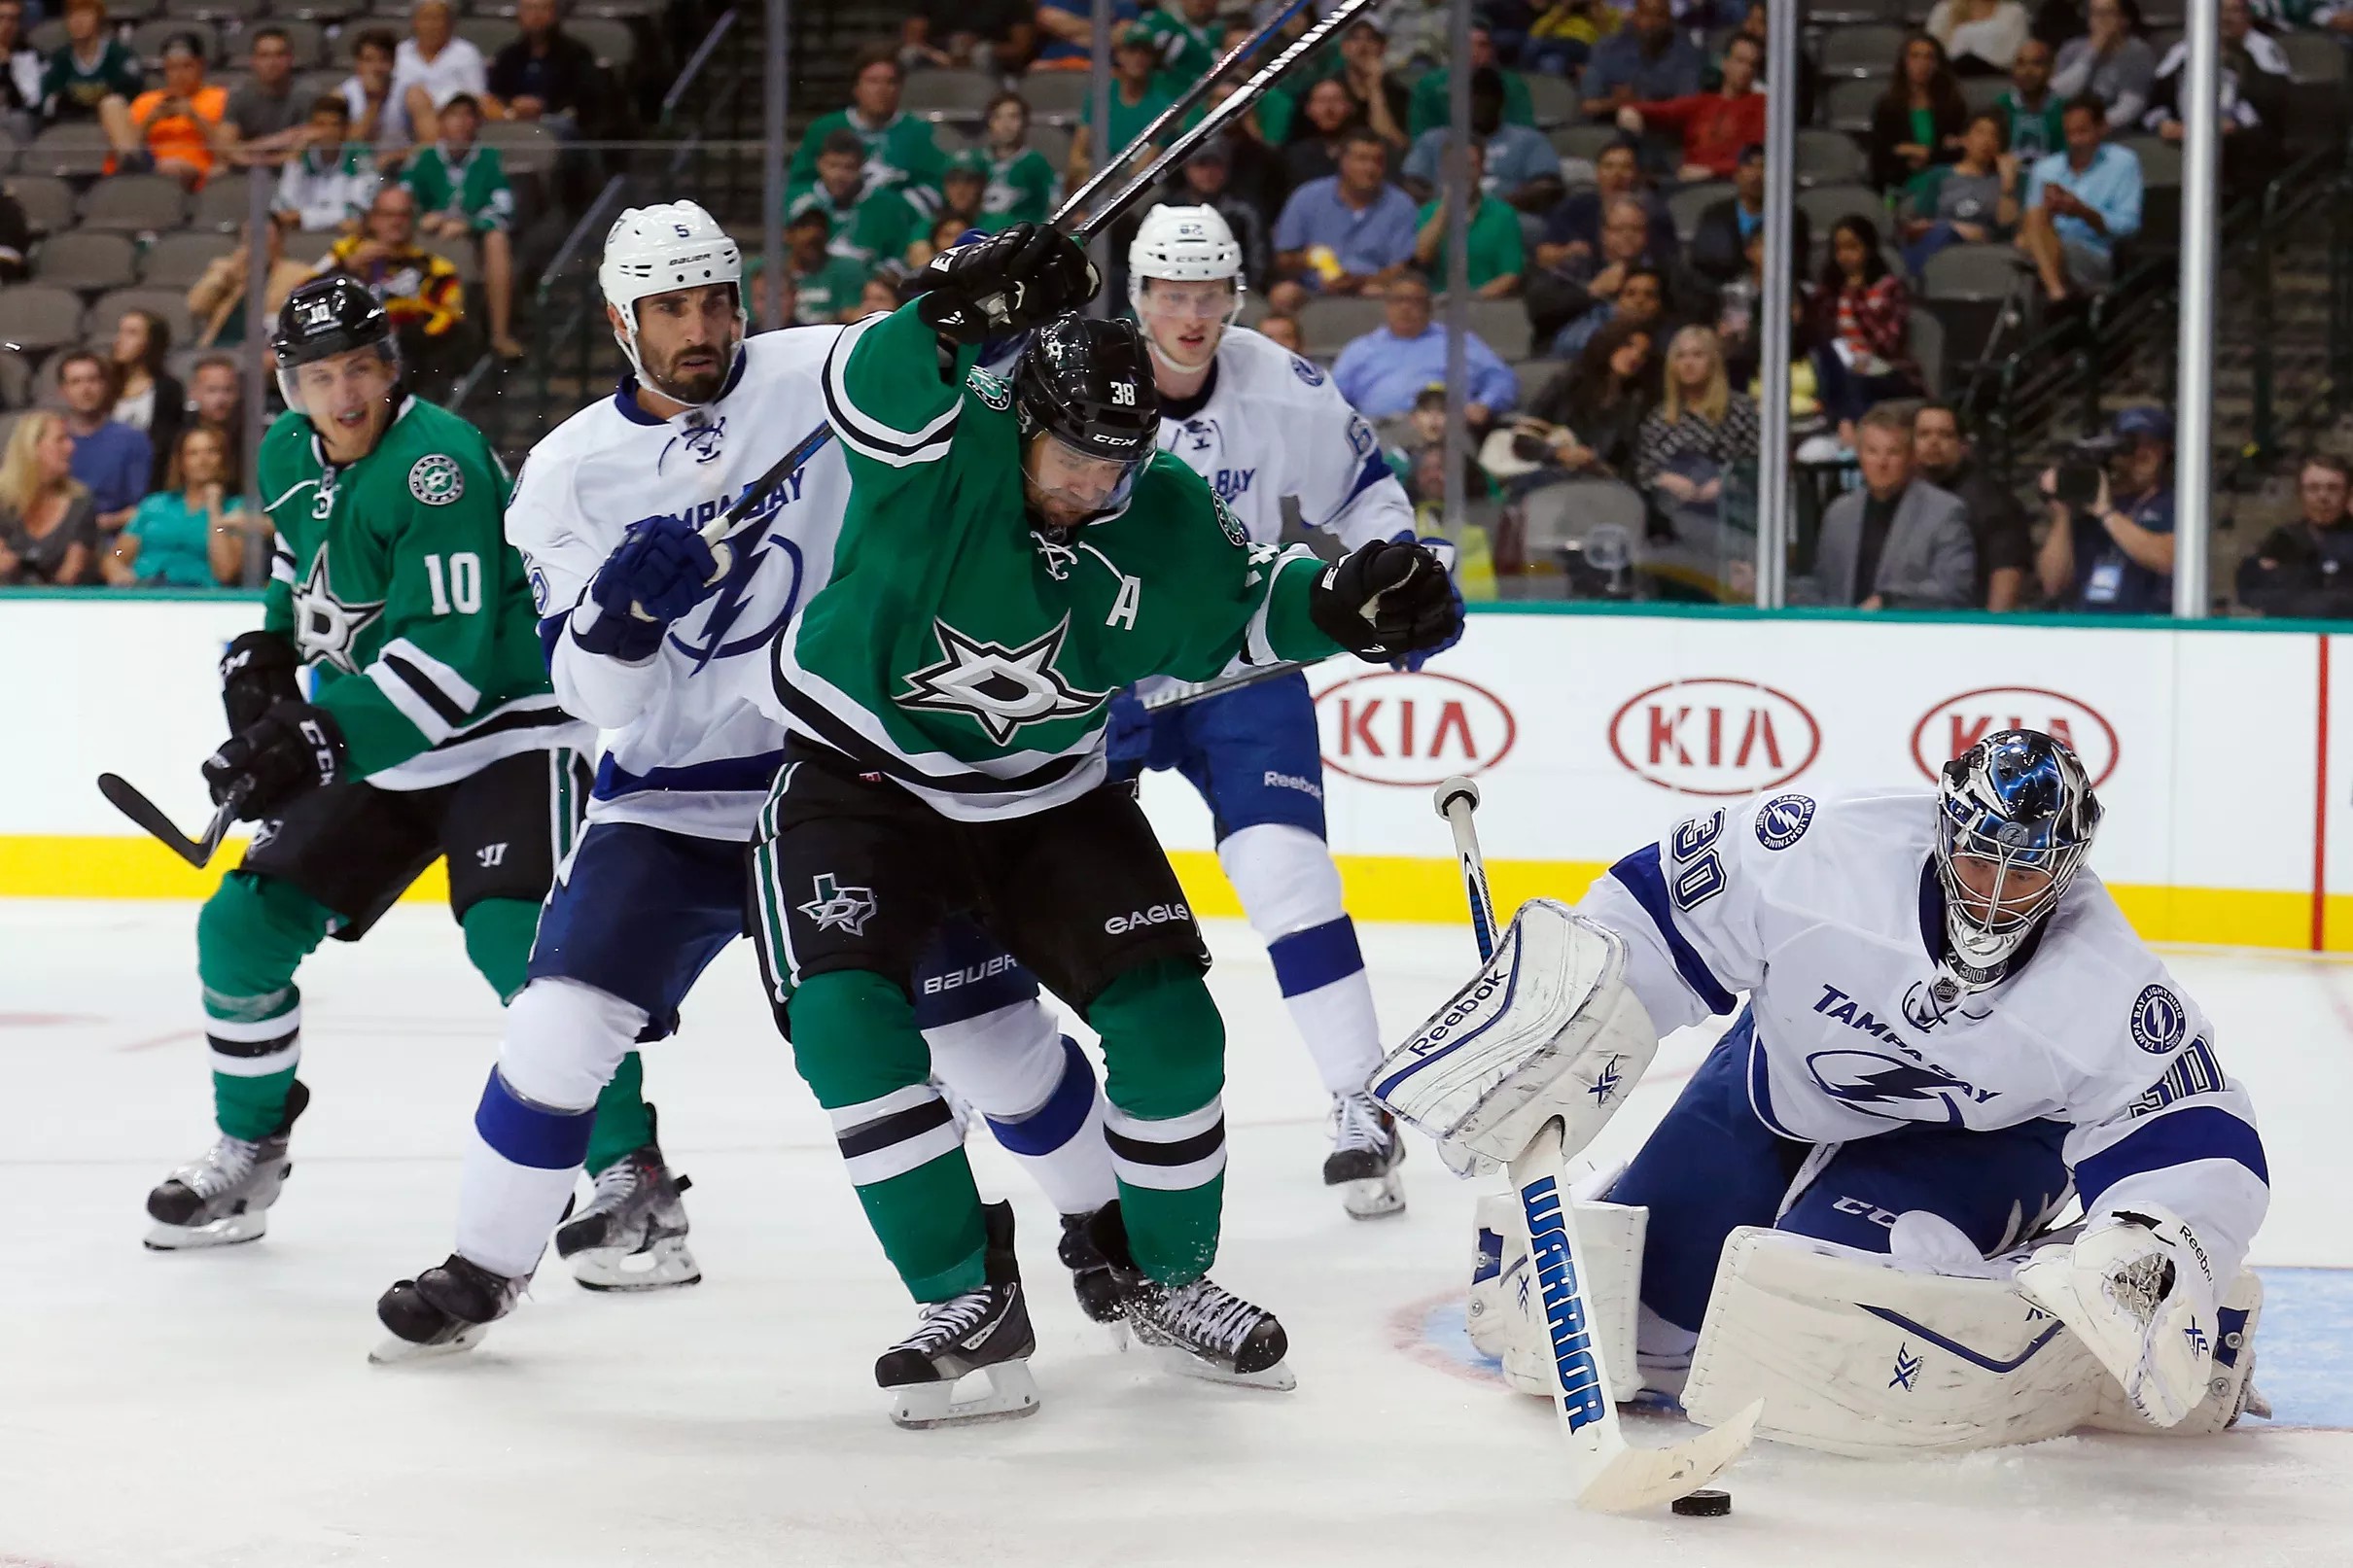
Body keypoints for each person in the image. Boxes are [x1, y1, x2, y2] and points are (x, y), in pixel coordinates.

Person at [733, 222, 1457, 1419]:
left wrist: (1345, 602)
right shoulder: (943, 445)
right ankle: (963, 1295)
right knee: (844, 1024)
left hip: (1047, 798)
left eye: (1114, 460)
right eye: (1069, 454)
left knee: (1172, 1023)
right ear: (1020, 418)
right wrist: (946, 310)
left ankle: (1165, 1279)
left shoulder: (1151, 504)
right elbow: (864, 385)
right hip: (861, 782)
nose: (1089, 483)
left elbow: (1238, 611)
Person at [370, 201, 1121, 1355]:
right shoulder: (566, 475)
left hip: (847, 781)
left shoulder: (813, 371)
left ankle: (1105, 1226)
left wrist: (965, 296)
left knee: (988, 1035)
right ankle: (484, 1263)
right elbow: (593, 699)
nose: (701, 327)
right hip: (670, 802)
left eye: (716, 299)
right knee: (555, 1029)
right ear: (623, 320)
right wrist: (620, 617)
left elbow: (921, 357)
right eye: (671, 307)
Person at [1426, 731, 2267, 1447]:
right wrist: (1550, 1030)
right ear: (1944, 829)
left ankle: (2047, 1280)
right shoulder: (1817, 852)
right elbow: (1650, 918)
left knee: (1817, 1320)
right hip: (1780, 1087)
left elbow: (2198, 1131)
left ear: (2068, 869)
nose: (1996, 890)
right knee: (1643, 1329)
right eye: (1979, 855)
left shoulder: (2104, 979)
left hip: (1986, 1144)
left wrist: (2161, 1246)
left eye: (2028, 871)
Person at [139, 275, 594, 1260]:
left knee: (526, 950)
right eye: (318, 375)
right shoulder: (282, 454)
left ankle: (631, 1175)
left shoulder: (438, 464)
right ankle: (250, 1146)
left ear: (388, 368)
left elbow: (450, 659)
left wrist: (312, 740)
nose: (342, 395)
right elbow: (299, 574)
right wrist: (264, 655)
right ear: (287, 383)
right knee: (240, 931)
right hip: (380, 736)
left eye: (358, 368)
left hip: (506, 731)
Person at [1110, 204, 1428, 1217]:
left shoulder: (1282, 386)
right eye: (1171, 293)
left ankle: (1361, 1098)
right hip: (1098, 669)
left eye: (1208, 295)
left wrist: (1396, 578)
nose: (1191, 315)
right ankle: (984, 1077)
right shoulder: (1082, 379)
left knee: (1284, 872)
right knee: (1024, 870)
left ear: (1233, 296)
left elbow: (1367, 494)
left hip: (1242, 665)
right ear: (1138, 295)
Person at [1796, 402, 1976, 608]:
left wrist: (1889, 601)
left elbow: (1955, 589)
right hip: (1845, 634)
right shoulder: (1839, 513)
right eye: (1872, 451)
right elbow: (1823, 586)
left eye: (1893, 452)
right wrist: (1785, 590)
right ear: (1859, 455)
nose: (1882, 462)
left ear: (1910, 458)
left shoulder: (1945, 512)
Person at [404, 92, 522, 359]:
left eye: (469, 116)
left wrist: (468, 224)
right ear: (441, 122)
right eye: (454, 115)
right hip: (427, 233)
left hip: (476, 236)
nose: (461, 123)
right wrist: (421, 218)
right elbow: (402, 199)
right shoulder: (424, 158)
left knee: (497, 239)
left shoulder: (490, 159)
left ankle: (499, 335)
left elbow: (504, 207)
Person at [1635, 324, 1759, 580]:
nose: (1688, 364)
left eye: (1697, 355)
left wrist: (1724, 483)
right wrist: (1665, 479)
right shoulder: (1659, 418)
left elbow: (1757, 464)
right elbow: (1643, 471)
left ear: (1713, 361)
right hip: (1673, 516)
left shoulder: (1741, 410)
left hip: (1730, 515)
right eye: (1681, 357)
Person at [326, 185, 470, 391]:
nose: (396, 222)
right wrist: (348, 271)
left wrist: (402, 329)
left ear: (413, 220)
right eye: (388, 214)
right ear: (373, 218)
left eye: (404, 215)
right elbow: (306, 293)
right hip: (347, 356)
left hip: (411, 361)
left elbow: (451, 320)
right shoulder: (344, 253)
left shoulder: (436, 270)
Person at [2035, 403, 2175, 612]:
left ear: (2166, 452)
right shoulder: (2092, 503)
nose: (2140, 454)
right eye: (2131, 446)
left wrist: (2106, 513)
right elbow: (2053, 584)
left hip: (2145, 629)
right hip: (2089, 625)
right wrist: (2063, 512)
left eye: (2151, 445)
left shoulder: (2173, 502)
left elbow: (2167, 559)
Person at [1330, 269, 1519, 422]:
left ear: (1429, 307)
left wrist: (1485, 404)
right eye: (1398, 300)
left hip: (1447, 433)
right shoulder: (1360, 349)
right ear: (1386, 306)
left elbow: (1501, 378)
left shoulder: (1458, 342)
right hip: (1382, 434)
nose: (1405, 308)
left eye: (1414, 301)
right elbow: (1332, 399)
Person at [2145, 0, 2288, 199]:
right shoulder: (2183, 50)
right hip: (2183, 132)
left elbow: (2270, 105)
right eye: (2221, 11)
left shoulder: (2263, 49)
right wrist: (2164, 123)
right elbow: (2155, 100)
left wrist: (2233, 123)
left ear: (2247, 16)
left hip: (2239, 138)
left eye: (2235, 11)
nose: (2226, 18)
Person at [2016, 93, 2142, 302]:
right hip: (2045, 244)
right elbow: (2032, 220)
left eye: (2082, 132)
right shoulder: (2045, 169)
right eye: (2069, 133)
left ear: (2101, 128)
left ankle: (2054, 297)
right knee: (2032, 228)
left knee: (2042, 249)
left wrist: (2083, 212)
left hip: (2093, 250)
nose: (2075, 141)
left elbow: (2128, 226)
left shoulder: (2123, 163)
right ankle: (2057, 294)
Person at [1271, 125, 1421, 298]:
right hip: (1311, 291)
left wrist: (1356, 281)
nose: (1370, 168)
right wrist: (1306, 260)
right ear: (1343, 160)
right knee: (1284, 294)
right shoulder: (1307, 197)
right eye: (1362, 159)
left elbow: (1400, 269)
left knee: (1378, 291)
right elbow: (1281, 260)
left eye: (1377, 161)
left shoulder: (1401, 205)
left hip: (1373, 288)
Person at [789, 46, 948, 206]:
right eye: (873, 81)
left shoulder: (919, 131)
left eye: (891, 82)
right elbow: (798, 186)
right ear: (856, 88)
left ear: (900, 88)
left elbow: (936, 187)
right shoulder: (824, 128)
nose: (882, 90)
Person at [1914, 399, 2032, 610]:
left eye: (1945, 435)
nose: (1933, 442)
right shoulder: (1906, 495)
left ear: (1963, 445)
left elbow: (2006, 573)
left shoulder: (1992, 500)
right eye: (1924, 434)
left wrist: (1992, 634)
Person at [1512, 315, 1661, 483]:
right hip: (1549, 472)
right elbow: (1523, 439)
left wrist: (1598, 466)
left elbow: (1629, 464)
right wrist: (1559, 453)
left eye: (1643, 354)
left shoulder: (1636, 401)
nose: (1635, 356)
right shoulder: (1569, 381)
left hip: (1599, 485)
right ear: (1610, 342)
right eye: (1628, 345)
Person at [1812, 215, 1923, 437]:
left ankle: (1851, 433)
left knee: (1855, 380)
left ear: (1869, 248)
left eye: (1853, 247)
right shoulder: (1830, 292)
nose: (1845, 256)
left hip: (1888, 370)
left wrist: (1857, 298)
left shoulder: (1889, 288)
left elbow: (1887, 343)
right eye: (1839, 249)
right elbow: (1820, 335)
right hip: (1842, 366)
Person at [1400, 65, 1563, 212]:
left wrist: (1495, 209)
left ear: (1500, 101)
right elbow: (1410, 184)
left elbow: (1547, 185)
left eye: (1486, 96)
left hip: (1510, 217)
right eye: (1471, 96)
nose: (1478, 103)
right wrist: (1443, 207)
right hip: (1442, 216)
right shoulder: (1432, 140)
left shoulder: (1528, 140)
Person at [101, 424, 245, 588]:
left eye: (211, 452)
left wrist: (214, 510)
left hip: (198, 597)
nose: (202, 460)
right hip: (145, 589)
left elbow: (225, 571)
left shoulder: (235, 509)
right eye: (193, 453)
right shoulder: (154, 506)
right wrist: (117, 567)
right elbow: (118, 554)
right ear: (182, 463)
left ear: (223, 460)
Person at [1616, 32, 1767, 183]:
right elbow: (1661, 110)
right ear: (1725, 62)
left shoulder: (1761, 104)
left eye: (1752, 65)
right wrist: (1630, 110)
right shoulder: (1702, 102)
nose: (1746, 70)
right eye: (1740, 61)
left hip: (1728, 183)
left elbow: (1754, 158)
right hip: (1688, 182)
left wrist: (1712, 171)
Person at [1901, 110, 2023, 274]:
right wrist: (1953, 227)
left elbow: (2007, 229)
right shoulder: (1940, 176)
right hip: (1940, 246)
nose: (1986, 141)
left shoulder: (2004, 182)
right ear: (1964, 140)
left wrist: (2007, 185)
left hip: (1985, 252)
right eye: (1980, 133)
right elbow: (1922, 221)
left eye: (1994, 136)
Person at [788, 127, 926, 270]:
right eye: (832, 165)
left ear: (862, 165)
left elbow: (901, 258)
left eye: (848, 167)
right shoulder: (797, 201)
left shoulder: (890, 206)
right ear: (819, 163)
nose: (839, 175)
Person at [1534, 137, 1678, 272]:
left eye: (1626, 167)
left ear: (1638, 175)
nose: (1617, 174)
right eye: (1609, 166)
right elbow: (1543, 255)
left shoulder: (1655, 212)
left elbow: (1667, 260)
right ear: (1597, 173)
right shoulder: (1576, 207)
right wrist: (1567, 253)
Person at [2235, 452, 2353, 616]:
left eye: (2332, 488)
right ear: (2300, 493)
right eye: (2313, 488)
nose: (2323, 496)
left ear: (2348, 493)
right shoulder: (2283, 539)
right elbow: (2252, 593)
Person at [1069, 25, 1178, 188]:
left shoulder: (1162, 108)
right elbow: (1076, 156)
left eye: (1146, 52)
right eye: (1132, 51)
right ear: (1119, 55)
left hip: (1132, 191)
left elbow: (1139, 172)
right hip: (1093, 182)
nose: (1138, 58)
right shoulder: (1100, 97)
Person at [1411, 141, 1525, 296]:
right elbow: (1422, 256)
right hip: (1436, 304)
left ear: (1482, 169)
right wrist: (1446, 208)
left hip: (1486, 305)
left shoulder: (1504, 215)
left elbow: (1510, 275)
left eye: (1470, 165)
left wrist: (1473, 298)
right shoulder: (1427, 212)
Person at [56, 350, 149, 539]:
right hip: (56, 538)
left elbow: (141, 509)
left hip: (111, 540)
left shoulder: (132, 439)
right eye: (76, 382)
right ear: (63, 391)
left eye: (93, 380)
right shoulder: (49, 440)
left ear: (105, 386)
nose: (86, 389)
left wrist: (100, 524)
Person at [1691, 143, 1812, 286]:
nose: (1756, 174)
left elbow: (1798, 266)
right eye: (1749, 166)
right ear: (1736, 174)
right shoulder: (1714, 215)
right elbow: (1701, 264)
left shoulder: (1792, 217)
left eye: (1763, 166)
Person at [0, 412, 98, 586]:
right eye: (60, 439)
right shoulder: (4, 501)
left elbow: (72, 573)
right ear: (33, 447)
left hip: (60, 604)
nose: (71, 447)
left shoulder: (81, 502)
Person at [1580, 0, 1704, 130]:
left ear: (1670, 21)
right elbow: (1587, 105)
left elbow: (1687, 107)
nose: (1651, 23)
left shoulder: (1685, 53)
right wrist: (1615, 103)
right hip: (1605, 129)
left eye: (1659, 16)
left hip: (1659, 133)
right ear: (1634, 15)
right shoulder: (1608, 48)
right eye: (1645, 15)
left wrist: (1640, 103)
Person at [191, 217, 315, 348]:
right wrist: (228, 273)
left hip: (266, 349)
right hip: (219, 347)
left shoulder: (300, 274)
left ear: (280, 240)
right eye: (250, 237)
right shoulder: (224, 268)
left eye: (264, 236)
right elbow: (197, 307)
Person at [1871, 32, 1970, 194]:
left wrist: (1921, 153)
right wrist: (1910, 160)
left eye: (1929, 57)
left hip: (1945, 183)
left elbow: (1959, 150)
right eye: (1915, 56)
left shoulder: (1953, 106)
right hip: (1900, 184)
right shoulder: (1887, 107)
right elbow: (1881, 157)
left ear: (1938, 64)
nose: (1922, 64)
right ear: (1904, 62)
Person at [490, 0, 603, 137]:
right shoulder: (508, 55)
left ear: (555, 14)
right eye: (529, 9)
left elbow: (585, 97)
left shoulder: (576, 53)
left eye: (543, 9)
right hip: (515, 119)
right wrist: (513, 104)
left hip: (559, 121)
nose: (536, 15)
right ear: (520, 15)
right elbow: (496, 93)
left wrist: (544, 106)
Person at [1404, 22, 1535, 140]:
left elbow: (1524, 132)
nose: (1474, 52)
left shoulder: (1512, 85)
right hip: (1443, 155)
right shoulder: (1429, 86)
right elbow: (1420, 136)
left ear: (1492, 50)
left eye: (1482, 45)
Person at [274, 94, 380, 232]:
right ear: (310, 128)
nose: (327, 132)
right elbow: (283, 208)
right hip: (302, 242)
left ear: (346, 129)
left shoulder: (358, 157)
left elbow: (358, 212)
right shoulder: (301, 158)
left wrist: (304, 217)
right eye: (320, 125)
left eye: (334, 125)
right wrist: (296, 156)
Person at [394, 0, 491, 150]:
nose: (431, 25)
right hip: (404, 127)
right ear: (414, 22)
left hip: (456, 130)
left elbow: (477, 100)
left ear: (450, 23)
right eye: (426, 18)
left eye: (437, 19)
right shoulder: (400, 54)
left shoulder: (466, 53)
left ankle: (432, 152)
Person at [2052, 0, 2159, 132]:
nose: (2101, 20)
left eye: (2107, 13)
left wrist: (2092, 126)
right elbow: (2058, 95)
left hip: (2117, 132)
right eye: (2095, 14)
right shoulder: (2072, 48)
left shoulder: (2138, 52)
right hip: (2070, 128)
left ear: (2124, 19)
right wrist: (2091, 53)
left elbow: (2131, 107)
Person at [108, 307, 186, 488]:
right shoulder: (106, 386)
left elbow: (166, 447)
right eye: (121, 332)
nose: (120, 340)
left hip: (148, 479)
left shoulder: (168, 389)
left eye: (132, 333)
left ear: (151, 342)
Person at [39, 0, 139, 127]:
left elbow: (132, 97)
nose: (78, 21)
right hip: (69, 128)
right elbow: (48, 102)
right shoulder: (59, 59)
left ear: (99, 19)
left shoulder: (118, 56)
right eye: (72, 15)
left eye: (85, 15)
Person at [972, 92, 1061, 233]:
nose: (1006, 125)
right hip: (978, 241)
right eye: (998, 117)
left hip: (1021, 242)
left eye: (1013, 117)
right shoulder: (975, 162)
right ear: (989, 122)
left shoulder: (1036, 165)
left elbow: (1055, 206)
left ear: (1025, 122)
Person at [227, 25, 306, 162]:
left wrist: (248, 150)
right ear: (253, 61)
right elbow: (225, 147)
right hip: (245, 174)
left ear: (290, 59)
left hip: (294, 175)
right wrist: (276, 142)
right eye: (264, 56)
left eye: (279, 55)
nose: (272, 63)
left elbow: (302, 153)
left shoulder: (307, 95)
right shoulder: (239, 95)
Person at [782, 202, 871, 324]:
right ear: (787, 234)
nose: (814, 233)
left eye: (820, 226)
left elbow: (854, 317)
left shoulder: (848, 269)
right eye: (804, 226)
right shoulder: (767, 273)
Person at [1278, 76, 1366, 192]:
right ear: (1308, 109)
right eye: (1322, 101)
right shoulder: (1292, 157)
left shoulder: (1367, 152)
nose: (1329, 109)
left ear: (1350, 107)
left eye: (1336, 100)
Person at [1996, 35, 2068, 162]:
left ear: (2051, 69)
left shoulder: (2066, 110)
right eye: (2021, 64)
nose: (2027, 71)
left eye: (2036, 63)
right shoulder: (2000, 107)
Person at [340, 29, 411, 156]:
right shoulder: (343, 95)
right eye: (369, 60)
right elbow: (346, 145)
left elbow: (430, 144)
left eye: (383, 60)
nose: (376, 67)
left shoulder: (411, 94)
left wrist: (394, 157)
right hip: (356, 166)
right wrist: (374, 102)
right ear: (358, 64)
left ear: (393, 63)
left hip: (400, 168)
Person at [1926, 0, 2031, 74]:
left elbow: (2023, 56)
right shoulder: (1945, 10)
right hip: (1954, 79)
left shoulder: (2014, 12)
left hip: (2001, 79)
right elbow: (1931, 50)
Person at [0, 0, 40, 138]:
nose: (6, 25)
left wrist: (6, 68)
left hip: (14, 120)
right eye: (1, 18)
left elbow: (26, 103)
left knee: (20, 119)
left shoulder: (29, 56)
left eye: (13, 19)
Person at [188, 354, 243, 436]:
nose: (221, 399)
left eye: (228, 390)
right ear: (194, 392)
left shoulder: (250, 436)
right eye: (212, 390)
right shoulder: (182, 436)